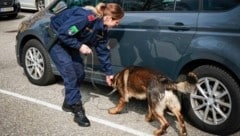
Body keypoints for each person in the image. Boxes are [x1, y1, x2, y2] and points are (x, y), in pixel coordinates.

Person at [49, 3, 124, 127]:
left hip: (71, 41)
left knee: (79, 73)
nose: (118, 25)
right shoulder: (86, 18)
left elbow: (103, 51)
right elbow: (63, 33)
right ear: (109, 18)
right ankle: (76, 108)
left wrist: (109, 73)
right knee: (70, 73)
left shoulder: (102, 29)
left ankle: (68, 102)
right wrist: (80, 46)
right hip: (57, 40)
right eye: (117, 22)